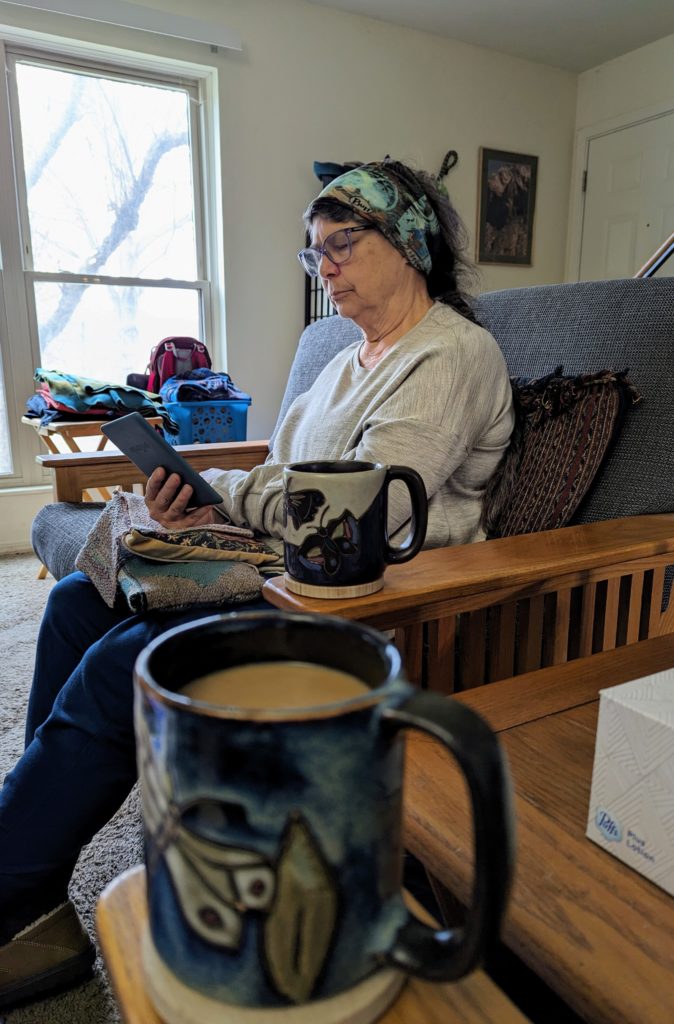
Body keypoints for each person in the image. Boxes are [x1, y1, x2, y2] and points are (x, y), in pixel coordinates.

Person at [0, 158, 514, 1010]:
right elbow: (283, 475)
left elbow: (361, 513)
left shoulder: (454, 354)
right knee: (70, 603)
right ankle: (35, 892)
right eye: (316, 255)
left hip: (367, 597)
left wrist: (227, 498)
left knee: (123, 664)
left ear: (411, 240)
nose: (327, 268)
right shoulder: (339, 366)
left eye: (343, 243)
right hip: (277, 562)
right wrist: (195, 505)